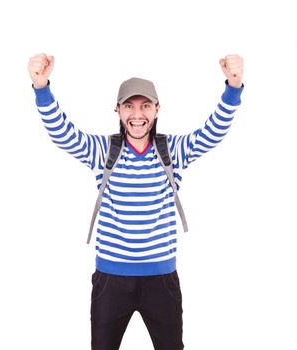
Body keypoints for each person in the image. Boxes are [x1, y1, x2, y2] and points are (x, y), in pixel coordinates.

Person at [27, 53, 245, 349]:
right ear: (117, 110)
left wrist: (233, 86)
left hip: (162, 279)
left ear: (157, 110)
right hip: (111, 279)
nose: (137, 114)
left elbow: (213, 131)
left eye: (145, 105)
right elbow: (62, 133)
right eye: (129, 106)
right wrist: (42, 87)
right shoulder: (103, 150)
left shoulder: (173, 150)